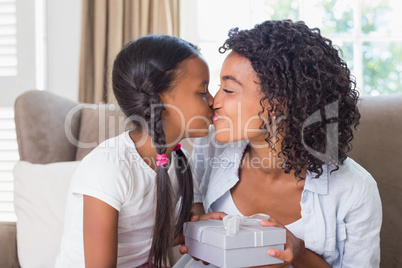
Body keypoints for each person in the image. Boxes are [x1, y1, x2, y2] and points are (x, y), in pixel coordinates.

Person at [177, 20, 382, 267]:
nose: (214, 101)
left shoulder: (354, 189)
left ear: (281, 101)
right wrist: (201, 229)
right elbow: (194, 196)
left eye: (229, 90)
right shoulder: (210, 146)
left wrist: (300, 254)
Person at [55, 35, 216, 268]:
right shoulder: (109, 167)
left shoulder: (180, 163)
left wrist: (201, 231)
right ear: (159, 99)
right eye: (202, 92)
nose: (213, 101)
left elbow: (142, 236)